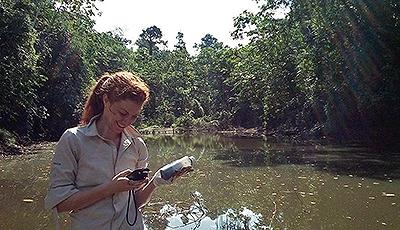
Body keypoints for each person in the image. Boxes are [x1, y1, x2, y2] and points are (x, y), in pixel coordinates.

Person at [45, 71, 187, 229]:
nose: (127, 121)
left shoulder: (137, 144)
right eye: (123, 113)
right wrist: (110, 188)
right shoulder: (74, 140)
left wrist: (155, 182)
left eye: (134, 117)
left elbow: (136, 203)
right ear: (106, 100)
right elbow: (60, 204)